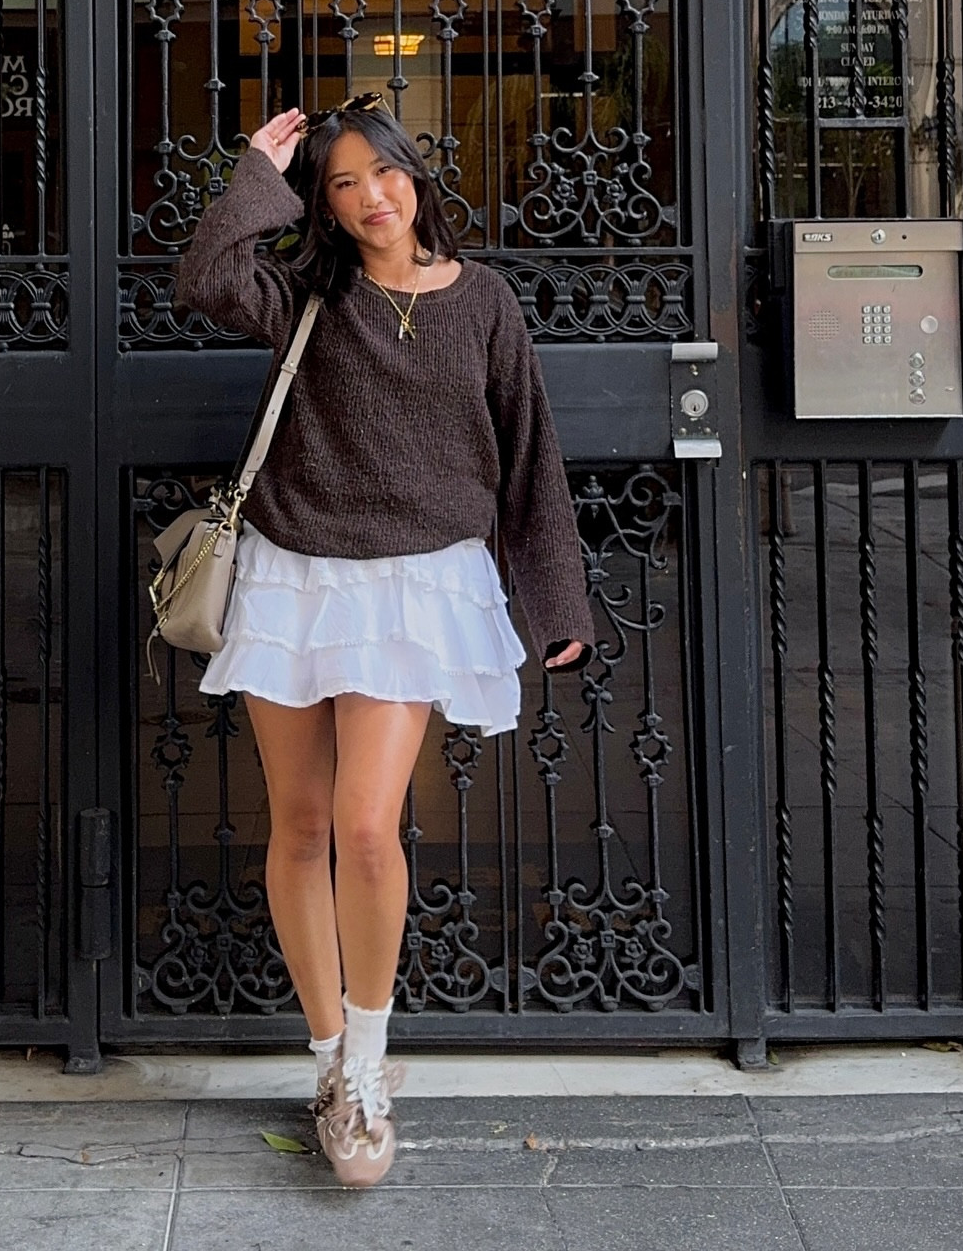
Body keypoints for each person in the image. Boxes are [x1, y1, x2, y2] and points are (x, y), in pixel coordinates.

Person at [173, 94, 594, 1187]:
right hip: (294, 574)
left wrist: (556, 601)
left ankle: (369, 1062)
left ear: (418, 175)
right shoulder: (309, 295)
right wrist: (257, 173)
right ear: (322, 202)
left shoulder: (484, 301)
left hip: (416, 586)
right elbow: (205, 277)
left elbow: (529, 457)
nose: (372, 197)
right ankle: (328, 1061)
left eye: (386, 172)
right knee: (301, 825)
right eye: (343, 182)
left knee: (366, 827)